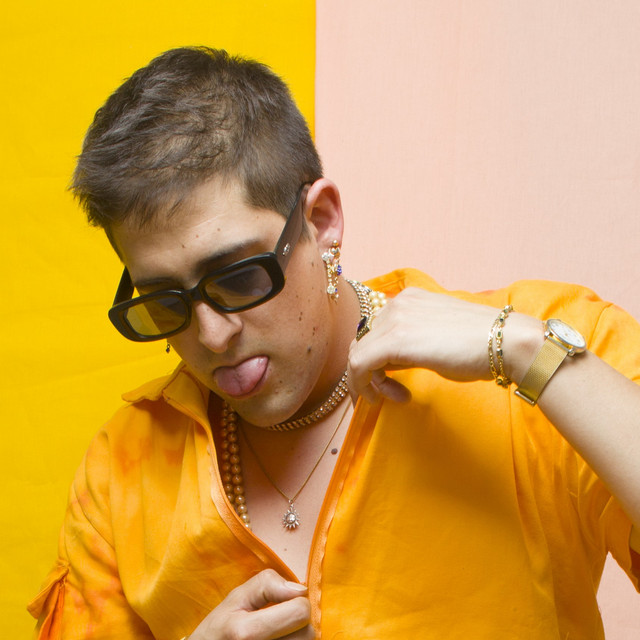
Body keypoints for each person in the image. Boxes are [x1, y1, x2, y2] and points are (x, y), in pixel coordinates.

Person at [29, 46, 640, 639]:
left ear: (321, 221)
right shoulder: (121, 473)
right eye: (165, 302)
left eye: (239, 276)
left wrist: (532, 356)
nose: (211, 335)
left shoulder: (545, 351)